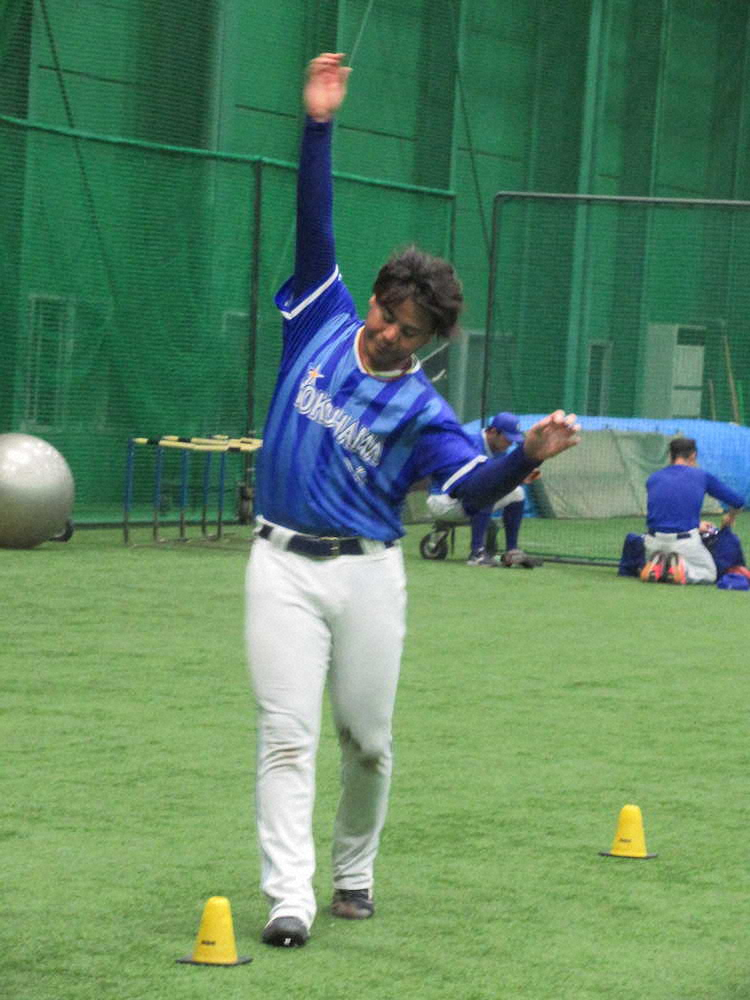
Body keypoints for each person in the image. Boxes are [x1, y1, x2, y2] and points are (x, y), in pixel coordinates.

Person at [244, 52, 581, 950]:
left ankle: (353, 870)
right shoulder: (322, 316)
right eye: (388, 315)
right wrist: (319, 125)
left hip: (366, 577)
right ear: (375, 299)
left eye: (410, 330)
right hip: (279, 562)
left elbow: (461, 494)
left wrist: (523, 459)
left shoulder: (425, 413)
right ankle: (288, 897)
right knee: (284, 736)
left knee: (366, 742)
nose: (390, 333)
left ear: (431, 340)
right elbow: (314, 219)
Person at [426, 411, 543, 567]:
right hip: (442, 500)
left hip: (465, 500)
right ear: (493, 432)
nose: (510, 444)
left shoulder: (500, 452)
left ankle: (512, 551)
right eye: (507, 439)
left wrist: (520, 478)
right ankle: (477, 554)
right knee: (487, 489)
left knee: (517, 493)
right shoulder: (469, 443)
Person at [641, 436, 744, 583]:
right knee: (709, 574)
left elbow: (667, 509)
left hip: (653, 542)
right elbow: (738, 502)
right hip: (684, 543)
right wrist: (730, 517)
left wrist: (696, 524)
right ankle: (683, 570)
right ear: (693, 456)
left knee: (664, 559)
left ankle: (660, 566)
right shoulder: (701, 476)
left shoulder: (653, 478)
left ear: (670, 456)